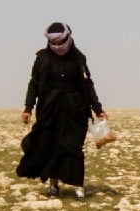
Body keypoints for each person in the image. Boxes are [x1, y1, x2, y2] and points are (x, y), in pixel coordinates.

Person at [16, 22, 107, 199]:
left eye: (61, 42)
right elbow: (34, 84)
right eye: (54, 43)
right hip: (50, 109)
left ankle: (78, 187)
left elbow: (87, 84)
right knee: (51, 146)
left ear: (68, 37)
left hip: (75, 110)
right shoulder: (42, 58)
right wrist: (28, 107)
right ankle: (53, 186)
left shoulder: (79, 57)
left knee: (74, 147)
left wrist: (98, 108)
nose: (58, 46)